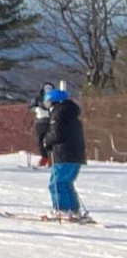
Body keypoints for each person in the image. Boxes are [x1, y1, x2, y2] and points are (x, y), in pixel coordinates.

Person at [40, 85, 87, 220]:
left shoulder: (59, 113)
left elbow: (57, 134)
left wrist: (46, 141)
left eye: (48, 102)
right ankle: (73, 210)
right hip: (76, 155)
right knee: (66, 183)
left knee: (57, 184)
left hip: (64, 154)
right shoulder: (71, 113)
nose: (47, 106)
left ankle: (62, 209)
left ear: (54, 102)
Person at [32, 81, 55, 168]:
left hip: (51, 122)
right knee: (41, 141)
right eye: (46, 89)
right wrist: (36, 109)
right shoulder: (39, 98)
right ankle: (45, 157)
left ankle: (50, 159)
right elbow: (31, 107)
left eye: (49, 88)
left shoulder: (54, 98)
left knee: (50, 140)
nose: (48, 90)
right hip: (41, 122)